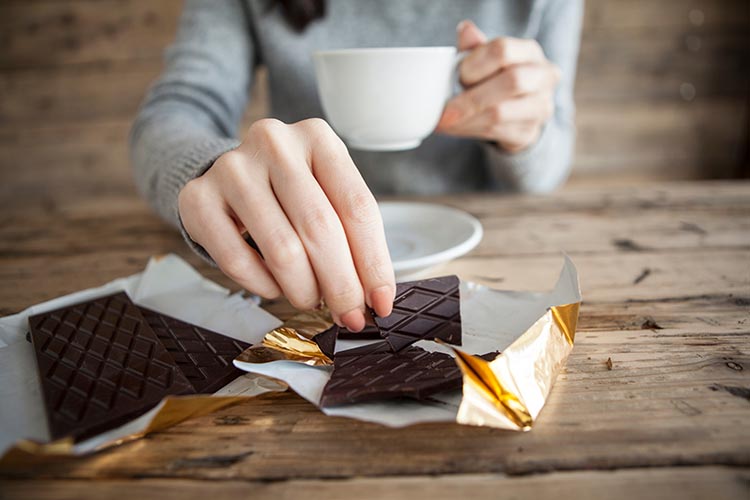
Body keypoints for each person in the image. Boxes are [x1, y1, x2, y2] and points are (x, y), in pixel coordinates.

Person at [130, 0, 583, 332]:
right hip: (302, 254)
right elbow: (174, 112)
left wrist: (524, 133)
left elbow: (550, 162)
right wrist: (209, 171)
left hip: (493, 264)